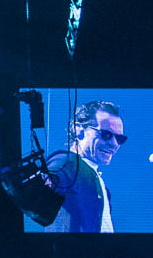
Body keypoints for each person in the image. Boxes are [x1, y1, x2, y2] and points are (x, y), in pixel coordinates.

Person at [44, 99, 123, 232]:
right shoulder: (66, 164)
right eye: (106, 134)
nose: (114, 144)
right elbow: (48, 183)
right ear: (78, 130)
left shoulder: (96, 182)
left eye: (120, 138)